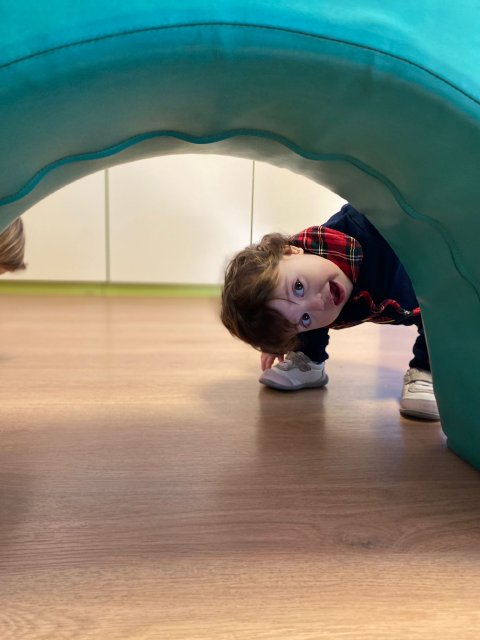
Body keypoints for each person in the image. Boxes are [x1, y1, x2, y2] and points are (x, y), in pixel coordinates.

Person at [221, 203, 438, 421]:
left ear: (290, 251)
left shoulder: (365, 226)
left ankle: (428, 371)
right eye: (304, 317)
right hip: (366, 301)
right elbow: (295, 312)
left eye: (298, 287)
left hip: (421, 284)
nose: (317, 303)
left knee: (438, 317)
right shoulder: (315, 296)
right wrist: (278, 339)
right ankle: (308, 358)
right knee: (303, 318)